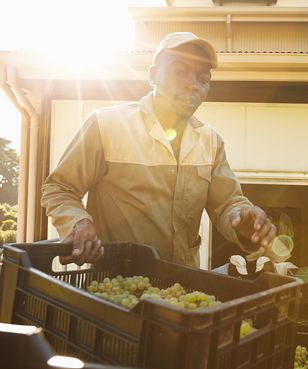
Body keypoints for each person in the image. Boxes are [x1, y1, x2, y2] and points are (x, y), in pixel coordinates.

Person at [41, 32, 277, 267]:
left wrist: (243, 219)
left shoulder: (210, 141)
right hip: (114, 291)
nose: (192, 84)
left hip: (182, 293)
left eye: (203, 78)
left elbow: (228, 204)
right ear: (153, 75)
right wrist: (78, 222)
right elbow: (60, 187)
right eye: (180, 72)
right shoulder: (106, 126)